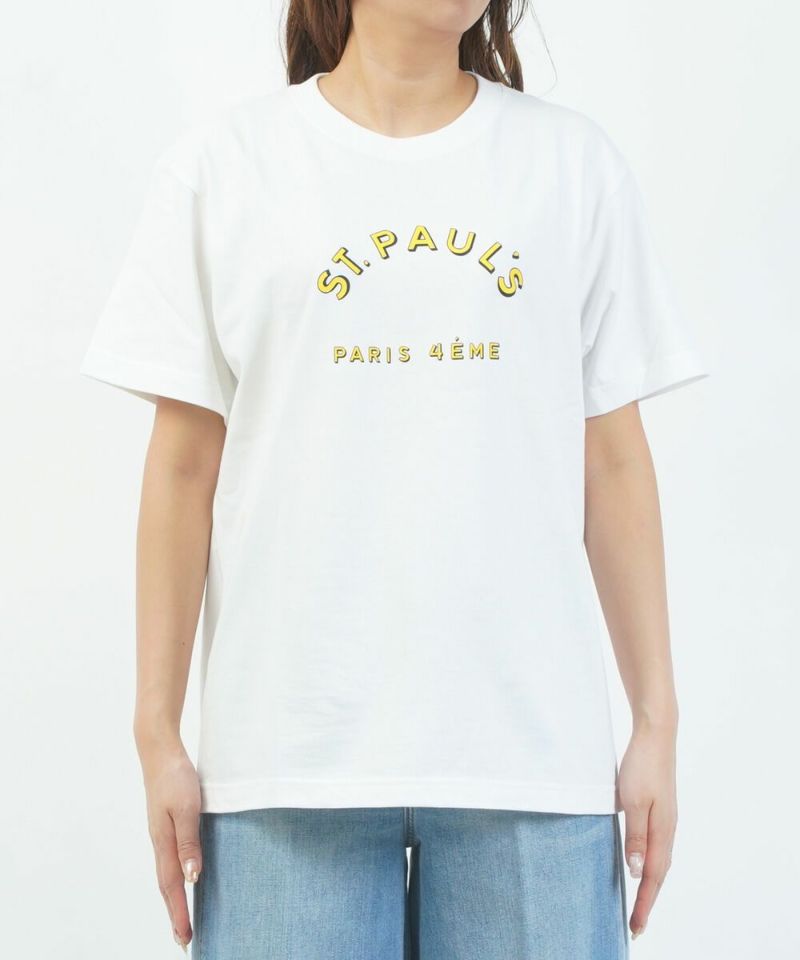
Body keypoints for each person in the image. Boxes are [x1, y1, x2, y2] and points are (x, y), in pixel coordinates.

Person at [79, 1, 708, 957]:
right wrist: (155, 732)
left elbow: (613, 460)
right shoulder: (225, 168)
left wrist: (657, 721)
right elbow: (181, 468)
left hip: (530, 764)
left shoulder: (571, 167)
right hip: (288, 767)